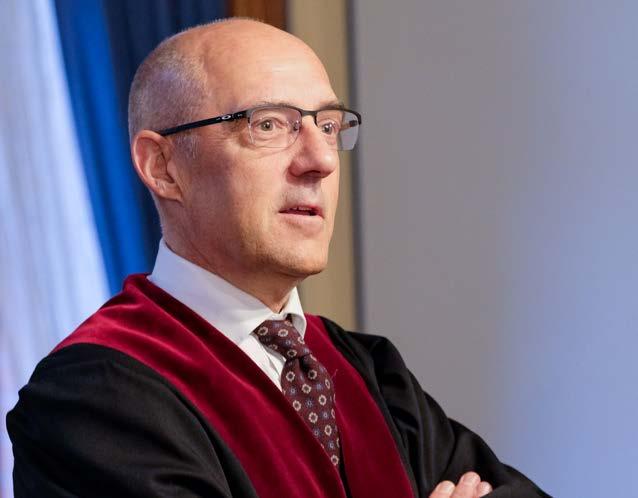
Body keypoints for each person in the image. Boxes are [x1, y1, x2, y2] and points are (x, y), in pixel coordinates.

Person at [7, 19, 549, 498]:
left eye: (329, 127)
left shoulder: (369, 370)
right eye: (268, 124)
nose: (320, 161)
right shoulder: (93, 396)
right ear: (163, 167)